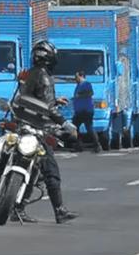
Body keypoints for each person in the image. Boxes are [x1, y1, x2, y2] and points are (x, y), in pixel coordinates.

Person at [18, 40, 80, 224]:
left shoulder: (29, 74)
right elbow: (47, 108)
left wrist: (55, 101)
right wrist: (65, 123)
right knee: (50, 171)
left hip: (22, 123)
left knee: (31, 170)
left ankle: (18, 207)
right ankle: (59, 211)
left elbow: (30, 98)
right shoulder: (45, 77)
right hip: (38, 129)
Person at [70, 70, 104, 153]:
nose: (75, 78)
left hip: (86, 110)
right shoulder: (78, 85)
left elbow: (90, 93)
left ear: (81, 76)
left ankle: (97, 145)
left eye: (76, 77)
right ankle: (79, 145)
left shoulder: (86, 84)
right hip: (79, 111)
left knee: (89, 128)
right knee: (74, 127)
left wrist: (79, 95)